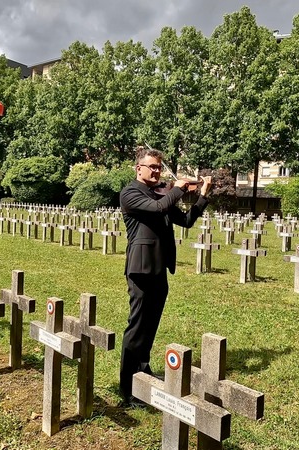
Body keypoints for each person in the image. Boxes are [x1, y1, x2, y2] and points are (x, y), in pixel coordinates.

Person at [118, 146, 212, 403]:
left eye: (160, 167)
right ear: (139, 169)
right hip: (140, 268)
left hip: (160, 269)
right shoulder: (130, 193)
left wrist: (202, 196)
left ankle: (143, 369)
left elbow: (185, 220)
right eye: (153, 167)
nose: (158, 171)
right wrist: (179, 189)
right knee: (137, 327)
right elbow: (158, 208)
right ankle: (127, 387)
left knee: (151, 324)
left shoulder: (162, 193)